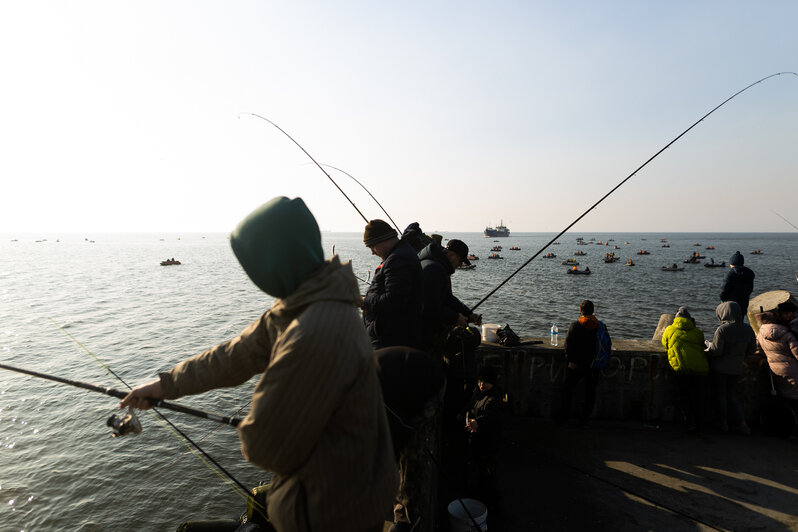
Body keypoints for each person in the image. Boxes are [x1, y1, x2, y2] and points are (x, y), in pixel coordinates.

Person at [120, 197, 397, 532]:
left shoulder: (315, 331)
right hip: (322, 495)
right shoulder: (304, 303)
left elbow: (267, 446)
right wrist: (165, 385)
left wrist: (252, 425)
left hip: (332, 510)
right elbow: (234, 355)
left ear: (273, 263)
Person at [375, 346, 445, 532]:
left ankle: (406, 518)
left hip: (429, 385)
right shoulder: (353, 382)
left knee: (410, 458)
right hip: (406, 384)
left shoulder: (366, 387)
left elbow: (401, 430)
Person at [361, 219, 424, 349]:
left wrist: (364, 301)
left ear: (383, 240)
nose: (372, 252)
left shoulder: (398, 259)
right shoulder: (400, 254)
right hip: (390, 335)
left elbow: (393, 300)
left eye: (372, 246)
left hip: (390, 339)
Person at [417, 239, 481, 353]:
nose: (460, 265)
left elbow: (447, 298)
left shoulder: (435, 264)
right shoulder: (435, 269)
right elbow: (429, 306)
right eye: (461, 261)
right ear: (452, 255)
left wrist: (468, 314)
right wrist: (455, 318)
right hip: (419, 336)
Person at [705, 301, 756, 434]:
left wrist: (707, 347)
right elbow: (752, 350)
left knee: (721, 395)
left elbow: (716, 351)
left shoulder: (723, 330)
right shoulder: (748, 329)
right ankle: (742, 424)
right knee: (731, 396)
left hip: (720, 368)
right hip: (737, 369)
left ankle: (723, 424)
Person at [559, 299, 609, 425]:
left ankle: (564, 417)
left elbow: (567, 346)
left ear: (580, 311)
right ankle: (584, 420)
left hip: (576, 365)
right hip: (594, 365)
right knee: (590, 393)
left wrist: (570, 360)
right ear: (593, 311)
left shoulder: (575, 325)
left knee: (567, 391)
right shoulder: (600, 325)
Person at [661, 307, 709, 432]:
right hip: (700, 370)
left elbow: (664, 345)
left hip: (681, 368)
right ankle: (701, 423)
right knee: (698, 397)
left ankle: (690, 422)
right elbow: (702, 345)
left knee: (683, 396)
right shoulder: (698, 332)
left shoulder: (669, 329)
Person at [464, 366, 503, 511]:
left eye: (485, 382)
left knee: (488, 470)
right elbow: (470, 405)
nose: (481, 385)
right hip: (476, 439)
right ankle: (481, 492)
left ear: (492, 383)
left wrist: (478, 423)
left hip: (488, 442)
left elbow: (492, 418)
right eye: (480, 381)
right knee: (478, 466)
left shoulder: (494, 399)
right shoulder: (478, 392)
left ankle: (493, 501)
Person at [756, 301, 798, 404]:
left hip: (774, 370)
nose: (791, 316)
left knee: (784, 396)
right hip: (792, 370)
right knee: (794, 397)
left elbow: (758, 349)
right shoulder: (787, 334)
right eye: (788, 313)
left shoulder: (761, 331)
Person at [720, 251, 755, 315]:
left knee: (729, 322)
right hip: (744, 302)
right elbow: (750, 289)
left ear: (732, 263)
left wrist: (722, 299)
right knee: (740, 321)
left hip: (731, 304)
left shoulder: (730, 274)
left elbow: (724, 289)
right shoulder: (750, 273)